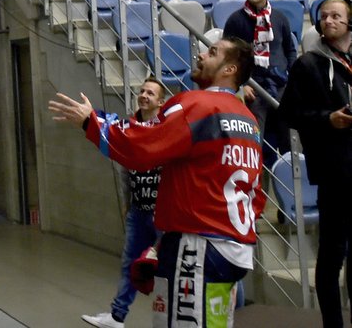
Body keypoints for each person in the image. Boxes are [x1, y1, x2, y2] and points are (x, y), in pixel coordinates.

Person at [49, 37, 264, 328]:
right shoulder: (248, 120)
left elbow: (141, 148)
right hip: (235, 248)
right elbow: (257, 195)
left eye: (212, 53)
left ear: (229, 69)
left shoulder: (197, 104)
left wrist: (91, 122)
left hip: (198, 245)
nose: (200, 55)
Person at [280, 0, 352, 328]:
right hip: (334, 171)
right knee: (331, 255)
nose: (328, 21)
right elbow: (289, 114)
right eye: (323, 17)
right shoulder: (308, 64)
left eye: (336, 16)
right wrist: (328, 119)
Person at [81, 78, 164, 328]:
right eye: (141, 91)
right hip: (138, 211)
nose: (144, 95)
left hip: (163, 214)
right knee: (130, 264)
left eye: (150, 93)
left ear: (160, 101)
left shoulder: (166, 128)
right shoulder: (129, 126)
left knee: (167, 268)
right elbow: (124, 169)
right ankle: (117, 317)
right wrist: (128, 202)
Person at [221, 0, 297, 165]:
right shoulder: (235, 20)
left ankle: (293, 189)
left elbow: (290, 49)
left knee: (291, 143)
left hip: (282, 87)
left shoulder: (280, 18)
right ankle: (257, 189)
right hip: (253, 89)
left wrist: (292, 79)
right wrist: (241, 85)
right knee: (255, 144)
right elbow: (228, 56)